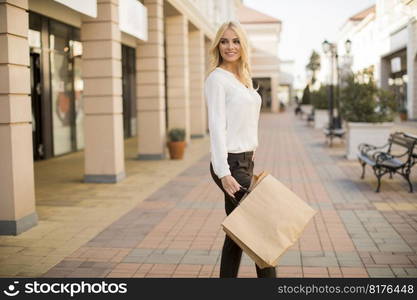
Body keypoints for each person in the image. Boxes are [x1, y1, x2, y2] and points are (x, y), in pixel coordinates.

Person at [204, 21, 277, 278]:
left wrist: (252, 148)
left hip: (245, 161)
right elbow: (217, 127)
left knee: (237, 234)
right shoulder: (217, 79)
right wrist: (224, 173)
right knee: (261, 232)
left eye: (235, 41)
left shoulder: (243, 79)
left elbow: (246, 119)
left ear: (243, 45)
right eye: (224, 41)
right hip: (230, 166)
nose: (229, 46)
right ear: (218, 46)